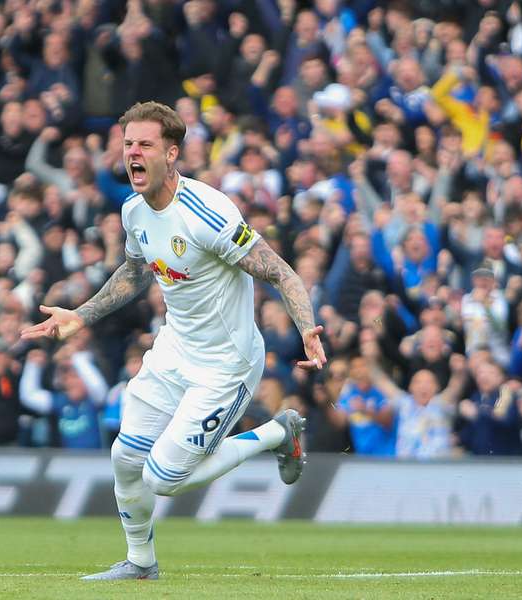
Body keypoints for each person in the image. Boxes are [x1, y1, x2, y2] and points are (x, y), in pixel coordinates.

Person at [22, 101, 326, 580]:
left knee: (162, 479)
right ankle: (141, 563)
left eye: (144, 144)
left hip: (225, 366)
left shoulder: (208, 214)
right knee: (125, 457)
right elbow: (135, 270)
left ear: (171, 153)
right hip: (173, 352)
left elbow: (279, 271)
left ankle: (277, 432)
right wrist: (81, 316)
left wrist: (306, 325)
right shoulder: (133, 211)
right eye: (127, 144)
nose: (132, 154)